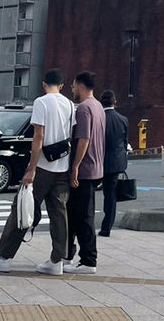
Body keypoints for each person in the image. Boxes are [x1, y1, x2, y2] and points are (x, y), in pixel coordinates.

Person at [0, 69, 75, 276]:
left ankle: (3, 257)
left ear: (44, 84)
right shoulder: (69, 104)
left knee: (22, 209)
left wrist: (31, 169)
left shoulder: (42, 102)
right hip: (62, 167)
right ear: (61, 86)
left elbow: (38, 136)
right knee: (60, 214)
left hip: (42, 167)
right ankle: (57, 260)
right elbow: (70, 135)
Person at [64, 71, 106, 274]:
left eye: (73, 86)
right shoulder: (98, 106)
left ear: (80, 86)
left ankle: (88, 260)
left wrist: (75, 168)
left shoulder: (83, 109)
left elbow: (83, 139)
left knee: (82, 216)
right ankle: (68, 255)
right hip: (96, 167)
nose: (72, 90)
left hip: (85, 169)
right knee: (76, 213)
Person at [98, 89, 128, 237]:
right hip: (116, 162)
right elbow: (124, 142)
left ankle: (88, 225)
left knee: (89, 192)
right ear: (115, 102)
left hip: (98, 160)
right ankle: (106, 228)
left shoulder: (99, 118)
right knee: (110, 196)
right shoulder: (123, 120)